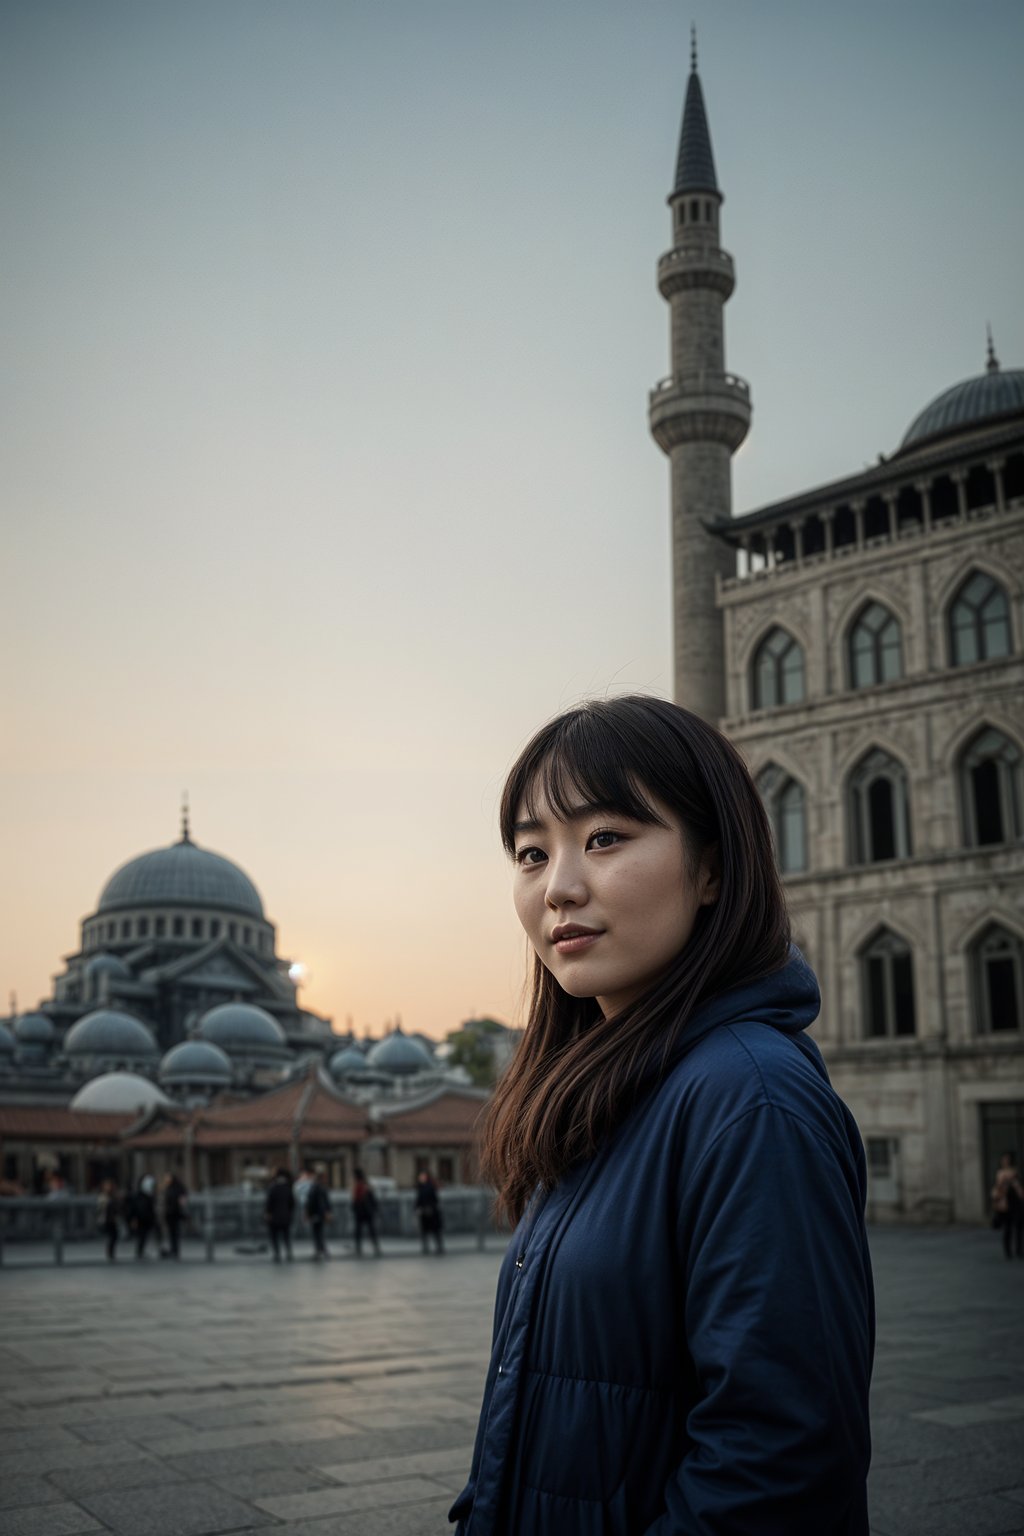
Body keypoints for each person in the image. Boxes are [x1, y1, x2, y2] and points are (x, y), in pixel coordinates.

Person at [450, 696, 874, 1536]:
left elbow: (777, 1465)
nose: (559, 887)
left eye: (605, 837)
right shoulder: (607, 1092)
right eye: (532, 853)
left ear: (712, 868)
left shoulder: (749, 1099)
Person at [991, 1150, 1024, 1259]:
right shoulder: (1000, 1173)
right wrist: (1004, 1181)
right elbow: (997, 1189)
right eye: (1004, 1159)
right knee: (1008, 1228)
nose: (1006, 1161)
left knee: (1019, 1227)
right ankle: (1008, 1252)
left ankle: (1019, 1250)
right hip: (1005, 1203)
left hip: (1016, 1203)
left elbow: (1020, 1190)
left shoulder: (1015, 1172)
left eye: (1008, 1159)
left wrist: (1014, 1182)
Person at [265, 1167, 295, 1261]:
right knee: (286, 1236)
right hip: (286, 1216)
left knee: (275, 1237)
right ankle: (289, 1253)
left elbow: (269, 1203)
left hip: (274, 1217)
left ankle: (277, 1254)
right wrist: (289, 1213)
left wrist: (268, 1213)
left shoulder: (273, 1188)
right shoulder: (288, 1188)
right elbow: (292, 1203)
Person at [127, 1174, 158, 1260]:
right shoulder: (139, 1196)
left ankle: (141, 1251)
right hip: (141, 1219)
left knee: (144, 1236)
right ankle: (139, 1252)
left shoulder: (148, 1196)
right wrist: (134, 1218)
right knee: (141, 1236)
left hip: (147, 1219)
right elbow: (135, 1208)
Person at [351, 1167, 380, 1256]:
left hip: (363, 1211)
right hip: (366, 1211)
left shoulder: (360, 1187)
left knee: (360, 1231)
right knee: (370, 1230)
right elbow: (373, 1199)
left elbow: (356, 1200)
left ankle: (359, 1248)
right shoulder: (365, 1185)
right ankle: (375, 1247)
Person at [415, 1170, 444, 1255]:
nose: (421, 1178)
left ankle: (439, 1248)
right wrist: (417, 1208)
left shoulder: (430, 1187)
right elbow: (419, 1200)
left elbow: (434, 1200)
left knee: (435, 1231)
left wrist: (430, 1207)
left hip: (432, 1212)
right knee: (425, 1232)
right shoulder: (420, 1187)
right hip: (424, 1213)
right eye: (420, 1176)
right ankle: (426, 1248)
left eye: (423, 1176)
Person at [161, 1169, 188, 1259]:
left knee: (175, 1233)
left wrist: (181, 1208)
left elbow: (183, 1200)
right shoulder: (168, 1188)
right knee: (171, 1233)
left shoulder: (178, 1188)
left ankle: (175, 1250)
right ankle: (173, 1250)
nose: (166, 1179)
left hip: (176, 1213)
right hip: (169, 1214)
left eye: (167, 1178)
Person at [305, 1169, 332, 1260]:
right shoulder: (320, 1187)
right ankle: (322, 1251)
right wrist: (326, 1212)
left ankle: (320, 1251)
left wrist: (308, 1212)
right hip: (318, 1213)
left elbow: (310, 1201)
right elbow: (322, 1202)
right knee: (319, 1233)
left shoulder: (315, 1187)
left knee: (317, 1233)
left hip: (316, 1213)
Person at [95, 1180, 120, 1262]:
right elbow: (100, 1208)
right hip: (106, 1220)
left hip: (113, 1219)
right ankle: (110, 1253)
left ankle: (111, 1253)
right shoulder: (103, 1196)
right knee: (112, 1236)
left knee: (114, 1236)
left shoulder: (113, 1195)